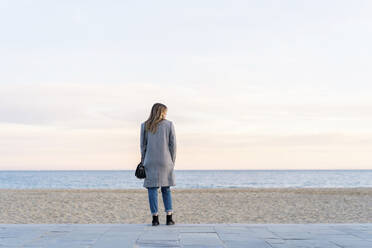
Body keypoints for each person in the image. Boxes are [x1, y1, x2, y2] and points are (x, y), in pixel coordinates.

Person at [140, 103, 176, 226]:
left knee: (152, 189)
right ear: (162, 112)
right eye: (165, 112)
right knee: (166, 189)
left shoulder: (145, 125)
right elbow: (173, 145)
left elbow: (142, 146)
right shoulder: (169, 125)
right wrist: (172, 161)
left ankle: (155, 219)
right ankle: (169, 217)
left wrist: (144, 160)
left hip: (150, 160)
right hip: (166, 161)